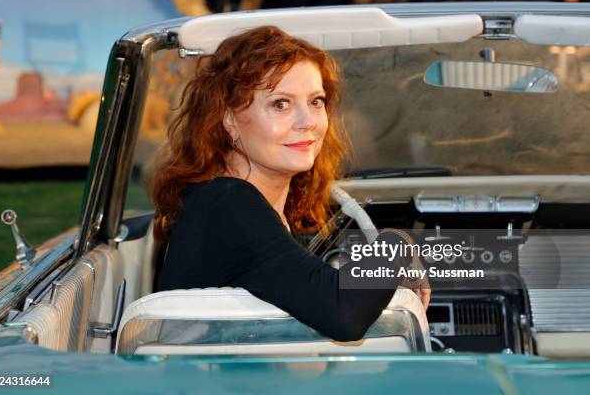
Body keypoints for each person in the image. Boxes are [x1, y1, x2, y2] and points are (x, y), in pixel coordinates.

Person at [151, 26, 430, 342]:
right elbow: (343, 313)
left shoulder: (242, 201)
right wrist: (397, 244)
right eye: (280, 104)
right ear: (228, 119)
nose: (307, 121)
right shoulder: (228, 205)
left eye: (316, 101)